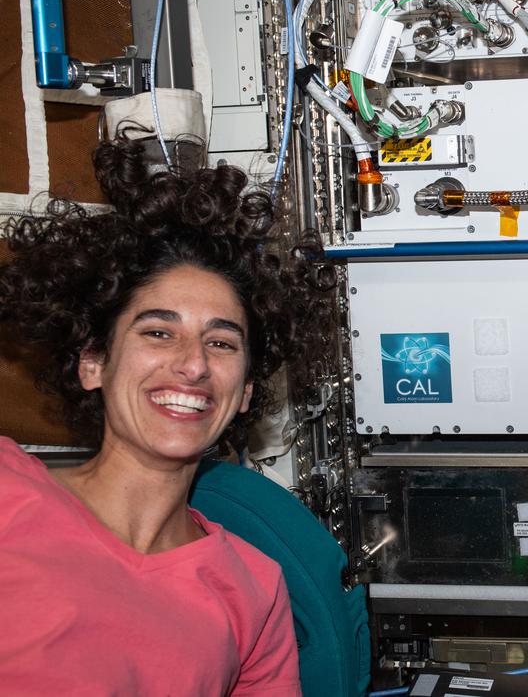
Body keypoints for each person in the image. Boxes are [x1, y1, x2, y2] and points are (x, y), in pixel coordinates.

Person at [0, 140, 334, 696]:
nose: (194, 364)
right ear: (93, 363)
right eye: (158, 332)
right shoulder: (8, 492)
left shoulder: (255, 588)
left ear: (245, 392)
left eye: (222, 343)